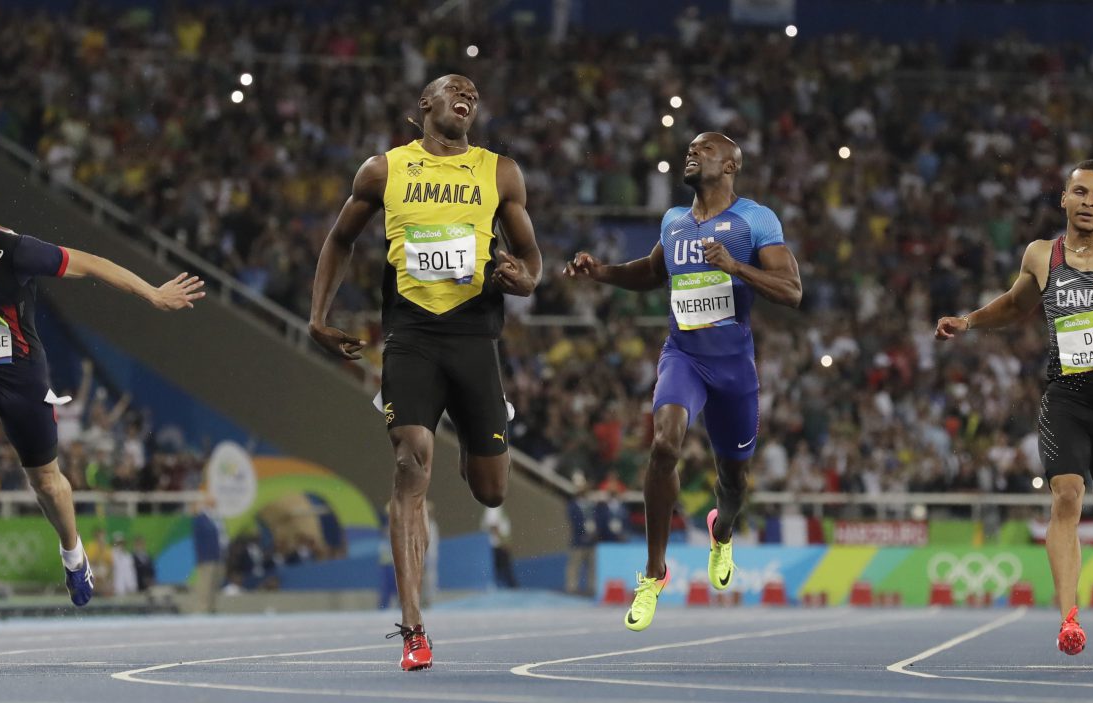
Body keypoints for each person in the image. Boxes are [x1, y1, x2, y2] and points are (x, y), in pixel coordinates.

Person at [308, 74, 542, 670]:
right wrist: (317, 316)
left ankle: (477, 420)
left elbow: (532, 257)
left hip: (474, 337)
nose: (467, 94)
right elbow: (340, 240)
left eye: (474, 91)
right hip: (411, 337)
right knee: (411, 457)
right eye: (453, 87)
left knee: (491, 491)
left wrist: (528, 277)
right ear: (425, 105)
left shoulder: (500, 172)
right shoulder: (383, 171)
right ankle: (413, 626)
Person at [0, 178, 205, 613]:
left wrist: (152, 292)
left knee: (46, 482)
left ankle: (73, 555)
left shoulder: (16, 253)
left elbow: (91, 264)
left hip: (23, 378)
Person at [935, 160, 1093, 655]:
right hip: (1065, 397)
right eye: (1079, 192)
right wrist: (969, 321)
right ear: (1063, 199)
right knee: (1066, 497)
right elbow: (1016, 303)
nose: (1088, 202)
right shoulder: (1043, 255)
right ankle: (1069, 618)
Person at [566, 133, 802, 631]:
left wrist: (735, 266)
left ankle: (723, 531)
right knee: (664, 445)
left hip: (735, 369)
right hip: (684, 357)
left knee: (733, 481)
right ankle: (653, 574)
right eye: (689, 148)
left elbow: (792, 291)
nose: (692, 153)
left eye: (706, 149)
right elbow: (651, 272)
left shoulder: (756, 219)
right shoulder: (673, 221)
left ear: (731, 165)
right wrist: (601, 272)